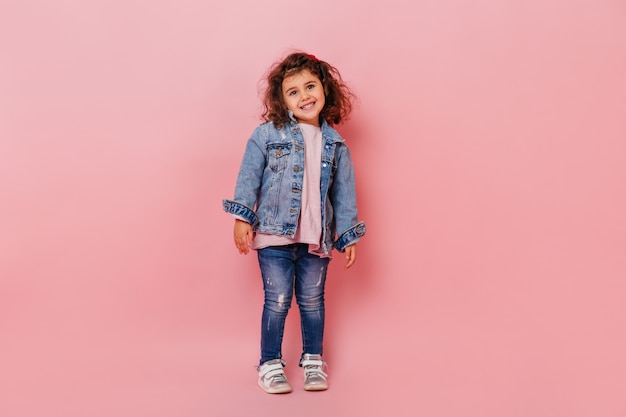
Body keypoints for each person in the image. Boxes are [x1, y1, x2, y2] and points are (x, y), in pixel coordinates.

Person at [222, 52, 366, 394]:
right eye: (293, 91)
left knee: (313, 301)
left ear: (326, 90)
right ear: (281, 99)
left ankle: (313, 360)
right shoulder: (267, 135)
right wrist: (242, 215)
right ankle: (270, 363)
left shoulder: (337, 145)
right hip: (274, 237)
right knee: (278, 299)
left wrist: (348, 235)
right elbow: (249, 175)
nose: (304, 96)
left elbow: (344, 194)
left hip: (316, 239)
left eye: (310, 86)